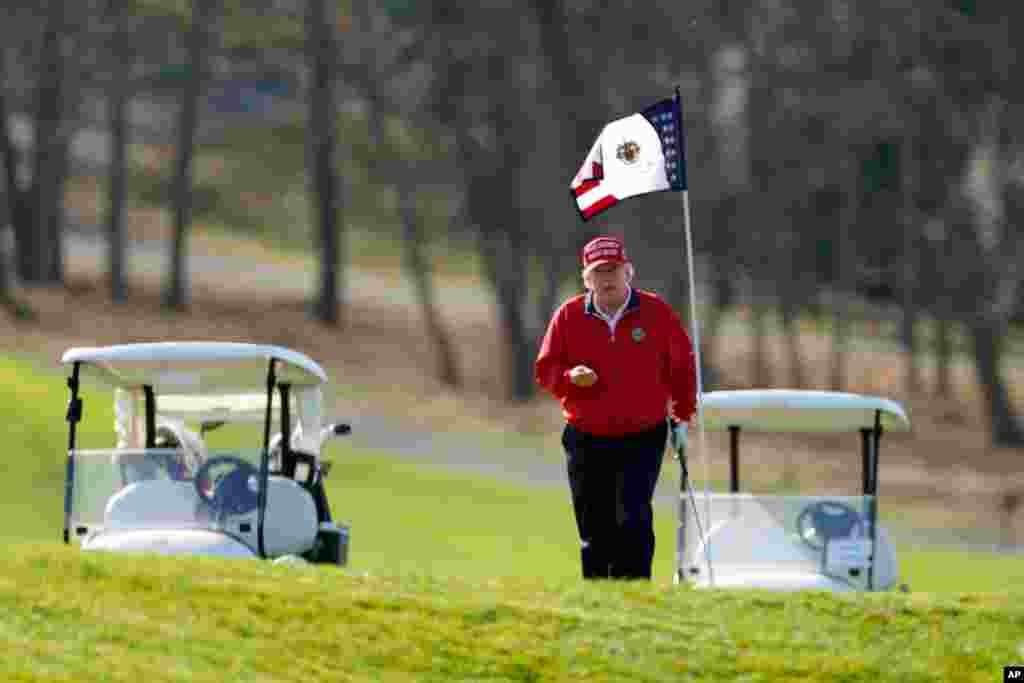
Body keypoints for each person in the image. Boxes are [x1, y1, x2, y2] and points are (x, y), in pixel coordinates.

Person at [535, 234, 697, 580]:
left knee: (634, 518)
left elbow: (682, 368)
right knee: (594, 524)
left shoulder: (656, 313)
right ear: (587, 279)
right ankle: (599, 599)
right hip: (585, 437)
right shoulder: (569, 316)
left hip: (642, 436)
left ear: (629, 272)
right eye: (599, 272)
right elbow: (546, 370)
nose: (607, 278)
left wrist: (682, 418)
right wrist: (568, 378)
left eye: (614, 270)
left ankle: (635, 595)